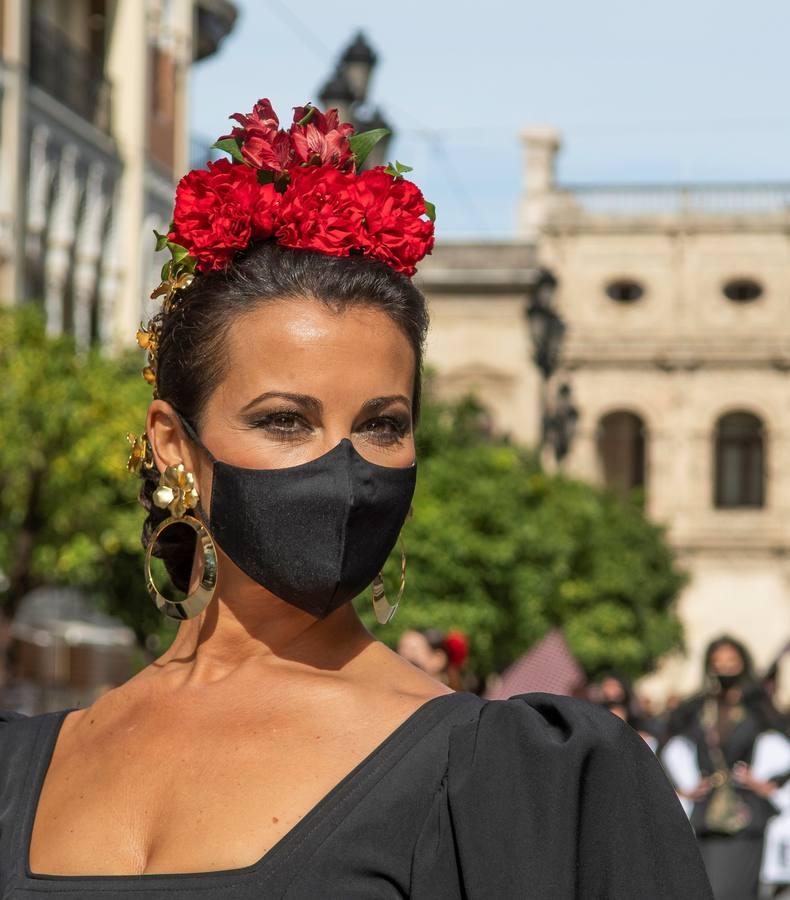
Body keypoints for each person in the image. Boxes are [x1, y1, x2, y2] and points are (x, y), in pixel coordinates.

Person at [0, 97, 712, 898]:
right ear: (175, 446)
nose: (344, 469)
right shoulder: (22, 767)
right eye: (284, 421)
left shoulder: (518, 782)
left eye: (381, 426)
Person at [661, 635, 788, 900]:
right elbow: (662, 742)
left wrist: (768, 784)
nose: (725, 668)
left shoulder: (756, 707)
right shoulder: (698, 708)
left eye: (731, 661)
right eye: (718, 662)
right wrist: (682, 788)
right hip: (706, 818)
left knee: (733, 892)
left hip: (746, 818)